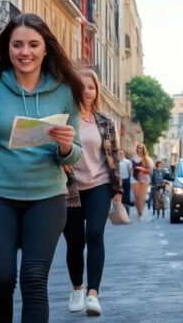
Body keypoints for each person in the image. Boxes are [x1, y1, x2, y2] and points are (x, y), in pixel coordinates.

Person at [0, 13, 83, 323]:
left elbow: (74, 155)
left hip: (47, 197)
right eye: (17, 44)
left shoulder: (66, 91)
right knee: (0, 278)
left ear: (46, 48)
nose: (25, 52)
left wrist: (65, 146)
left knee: (34, 279)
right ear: (7, 48)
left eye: (33, 44)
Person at [63, 68, 122, 317]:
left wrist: (117, 188)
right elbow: (49, 147)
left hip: (99, 185)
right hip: (70, 188)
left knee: (95, 234)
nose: (87, 92)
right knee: (74, 242)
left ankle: (93, 294)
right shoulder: (64, 120)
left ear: (97, 91)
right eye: (82, 87)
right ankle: (77, 289)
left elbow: (114, 155)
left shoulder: (105, 122)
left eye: (91, 87)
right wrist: (59, 161)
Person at [130, 143, 153, 221]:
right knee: (136, 197)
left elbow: (151, 171)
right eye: (138, 148)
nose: (140, 149)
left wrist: (143, 169)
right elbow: (131, 168)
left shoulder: (147, 158)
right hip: (134, 178)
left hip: (144, 178)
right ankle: (139, 212)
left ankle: (141, 214)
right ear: (137, 149)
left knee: (141, 197)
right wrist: (131, 173)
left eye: (141, 148)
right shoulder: (133, 157)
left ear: (144, 149)